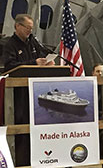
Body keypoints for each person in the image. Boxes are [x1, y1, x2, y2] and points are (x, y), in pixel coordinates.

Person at [3, 14, 54, 166]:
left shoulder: (33, 41)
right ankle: (20, 161)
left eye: (31, 28)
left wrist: (47, 62)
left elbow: (42, 54)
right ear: (17, 26)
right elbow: (9, 66)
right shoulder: (9, 45)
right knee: (21, 126)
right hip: (18, 94)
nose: (29, 31)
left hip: (36, 91)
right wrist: (34, 62)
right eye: (27, 28)